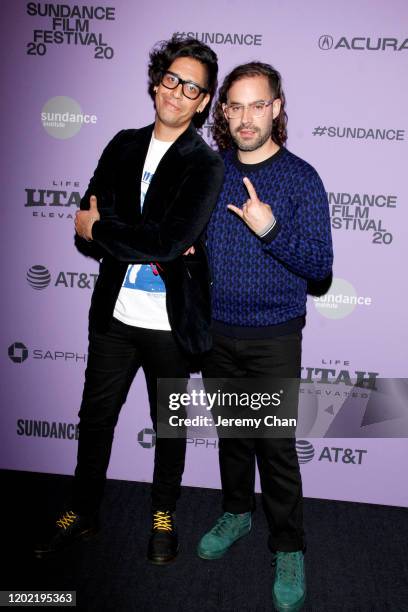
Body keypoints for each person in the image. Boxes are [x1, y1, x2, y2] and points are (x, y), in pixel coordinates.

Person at [35, 36, 224, 565]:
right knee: (95, 418)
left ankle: (163, 514)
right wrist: (129, 231)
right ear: (157, 80)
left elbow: (161, 240)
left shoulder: (204, 166)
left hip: (170, 322)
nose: (178, 92)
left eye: (193, 87)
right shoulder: (121, 143)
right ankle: (83, 510)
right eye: (172, 78)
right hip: (113, 317)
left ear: (204, 101)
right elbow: (83, 220)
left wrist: (109, 229)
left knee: (170, 425)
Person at [197, 62, 333, 611]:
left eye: (258, 105)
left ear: (277, 108)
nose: (247, 117)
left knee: (275, 449)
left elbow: (321, 268)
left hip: (274, 335)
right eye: (236, 106)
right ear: (223, 113)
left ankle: (289, 544)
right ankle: (236, 513)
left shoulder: (302, 178)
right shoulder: (208, 171)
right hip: (214, 331)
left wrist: (269, 228)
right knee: (232, 435)